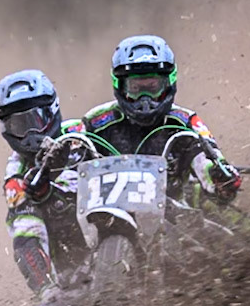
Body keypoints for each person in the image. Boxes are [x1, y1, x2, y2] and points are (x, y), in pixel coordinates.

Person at [80, 35, 241, 202]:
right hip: (105, 220)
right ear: (120, 86)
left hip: (175, 220)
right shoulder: (95, 123)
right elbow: (69, 173)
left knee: (235, 224)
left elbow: (206, 162)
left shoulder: (184, 123)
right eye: (135, 88)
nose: (145, 99)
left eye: (152, 87)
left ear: (168, 82)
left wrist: (219, 177)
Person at [0, 69, 93, 297]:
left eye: (36, 120)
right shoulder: (16, 175)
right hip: (76, 264)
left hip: (124, 216)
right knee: (24, 228)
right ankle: (52, 293)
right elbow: (27, 235)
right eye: (20, 126)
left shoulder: (85, 132)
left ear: (53, 112)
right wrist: (45, 288)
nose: (30, 133)